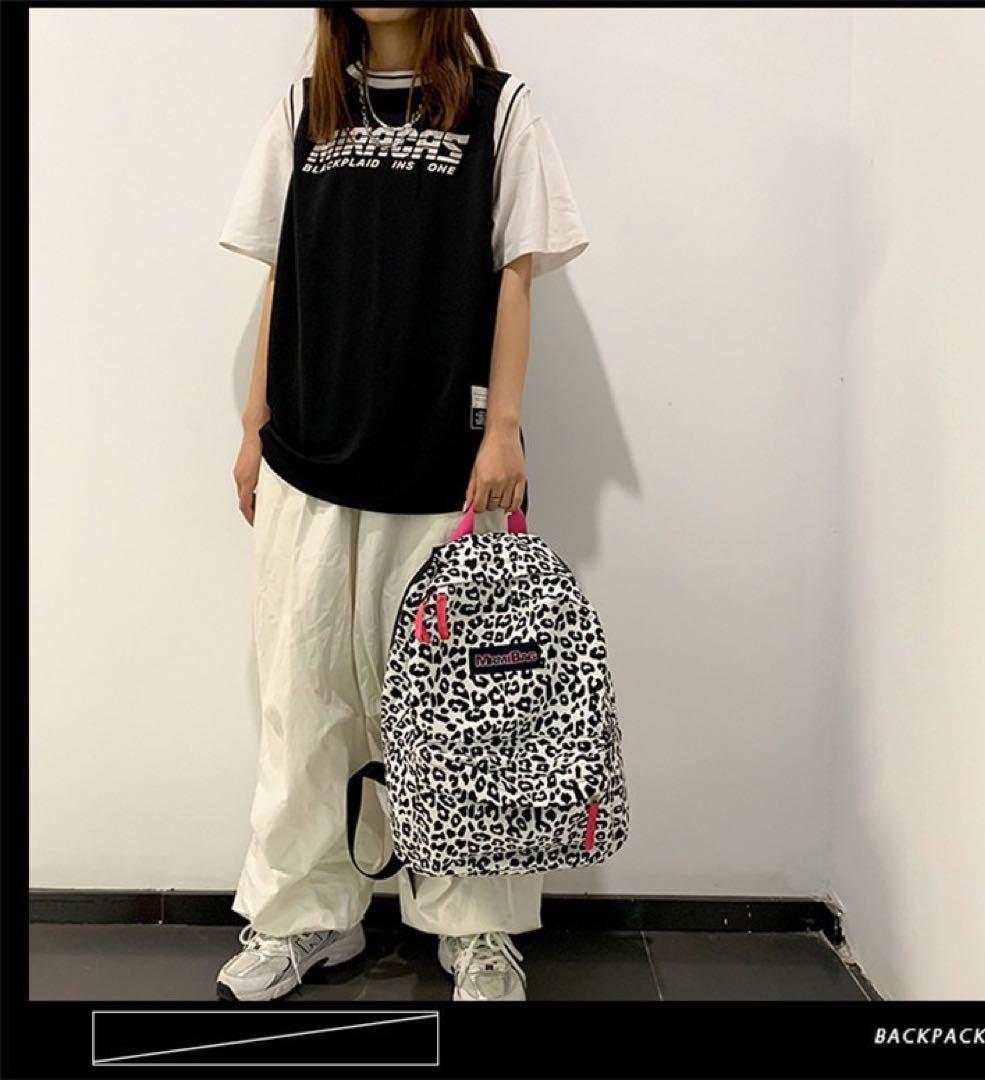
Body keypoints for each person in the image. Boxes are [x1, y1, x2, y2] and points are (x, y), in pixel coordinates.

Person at [214, 6, 589, 1003]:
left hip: (446, 472)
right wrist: (253, 423)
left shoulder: (500, 111)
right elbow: (283, 273)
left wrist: (504, 426)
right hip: (309, 459)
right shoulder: (304, 110)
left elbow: (516, 272)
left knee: (463, 714)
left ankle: (475, 932)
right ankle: (304, 917)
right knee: (303, 705)